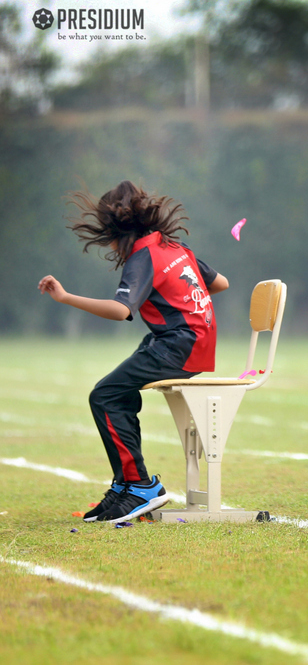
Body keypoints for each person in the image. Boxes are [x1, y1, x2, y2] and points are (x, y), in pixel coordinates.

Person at [38, 181, 229, 523]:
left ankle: (140, 486)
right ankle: (126, 485)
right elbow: (220, 283)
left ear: (117, 234)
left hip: (178, 346)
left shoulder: (144, 256)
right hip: (195, 343)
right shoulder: (174, 248)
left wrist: (66, 298)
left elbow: (121, 310)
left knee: (105, 395)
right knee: (118, 392)